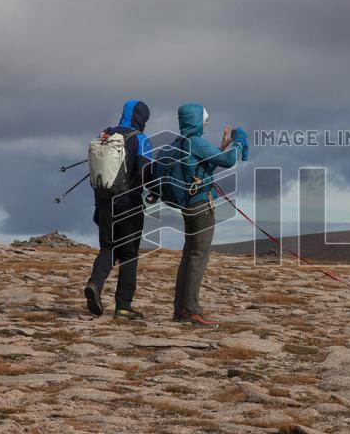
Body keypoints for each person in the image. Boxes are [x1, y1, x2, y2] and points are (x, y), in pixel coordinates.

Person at [172, 103, 247, 327]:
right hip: (202, 206)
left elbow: (200, 169)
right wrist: (239, 142)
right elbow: (228, 162)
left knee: (189, 255)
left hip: (188, 206)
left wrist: (222, 147)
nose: (206, 123)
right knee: (198, 256)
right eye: (205, 119)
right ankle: (192, 310)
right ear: (195, 120)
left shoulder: (181, 143)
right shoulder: (196, 142)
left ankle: (180, 309)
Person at [84, 99, 156, 319]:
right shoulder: (140, 139)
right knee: (129, 254)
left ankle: (95, 284)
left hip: (104, 202)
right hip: (129, 205)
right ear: (142, 118)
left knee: (108, 248)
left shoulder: (105, 135)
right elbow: (146, 172)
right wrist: (154, 191)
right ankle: (123, 306)